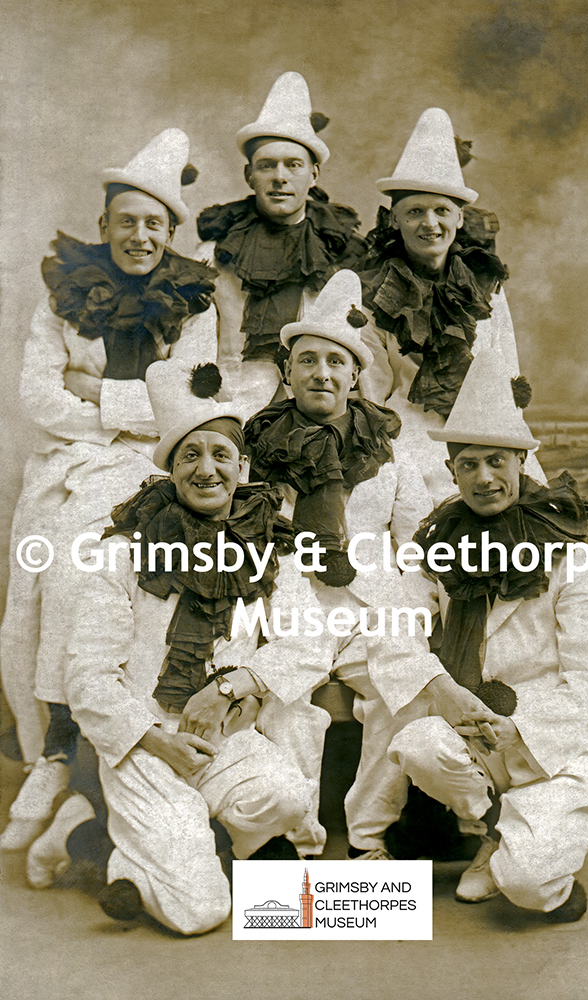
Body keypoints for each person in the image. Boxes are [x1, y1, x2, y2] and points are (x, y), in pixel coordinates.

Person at [27, 360, 315, 935]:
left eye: (220, 455)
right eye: (190, 455)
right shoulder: (122, 551)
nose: (206, 470)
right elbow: (88, 676)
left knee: (287, 799)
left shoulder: (268, 545)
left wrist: (235, 685)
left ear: (243, 467)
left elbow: (310, 639)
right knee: (198, 912)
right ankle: (95, 844)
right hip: (146, 739)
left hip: (222, 734)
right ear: (170, 468)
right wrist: (157, 741)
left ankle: (137, 838)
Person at [0, 129, 218, 850]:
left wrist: (96, 390)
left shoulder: (193, 303)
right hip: (67, 463)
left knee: (90, 574)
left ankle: (82, 747)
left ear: (169, 232)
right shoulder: (64, 295)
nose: (139, 234)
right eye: (126, 220)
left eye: (154, 223)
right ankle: (52, 750)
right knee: (39, 580)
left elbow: (183, 404)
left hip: (150, 466)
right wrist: (126, 402)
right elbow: (37, 396)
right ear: (104, 227)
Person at [244, 269, 489, 859]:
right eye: (307, 361)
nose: (321, 373)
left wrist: (413, 605)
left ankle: (368, 837)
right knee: (283, 697)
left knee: (396, 692)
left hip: (371, 599)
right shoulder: (257, 446)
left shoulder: (390, 449)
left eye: (335, 361)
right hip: (290, 595)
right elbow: (244, 536)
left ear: (356, 375)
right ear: (287, 373)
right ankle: (296, 839)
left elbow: (414, 543)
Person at [388, 348, 588, 922]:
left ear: (521, 463)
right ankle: (490, 827)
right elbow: (392, 628)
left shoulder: (568, 555)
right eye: (468, 464)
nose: (484, 478)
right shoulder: (440, 545)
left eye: (497, 461)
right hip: (471, 723)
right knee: (418, 743)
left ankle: (527, 847)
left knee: (530, 889)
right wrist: (441, 689)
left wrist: (516, 730)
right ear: (453, 472)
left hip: (548, 744)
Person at [357, 107, 539, 502]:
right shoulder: (376, 295)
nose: (430, 224)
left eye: (441, 210)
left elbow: (505, 366)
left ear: (459, 217)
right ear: (394, 220)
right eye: (415, 211)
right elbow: (372, 393)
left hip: (486, 433)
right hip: (407, 436)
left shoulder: (485, 285)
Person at [195, 71, 366, 418]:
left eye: (293, 165)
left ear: (314, 174)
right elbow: (191, 354)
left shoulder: (340, 258)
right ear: (249, 175)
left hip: (316, 413)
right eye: (267, 165)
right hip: (232, 407)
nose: (280, 177)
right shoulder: (214, 257)